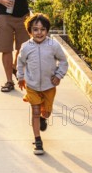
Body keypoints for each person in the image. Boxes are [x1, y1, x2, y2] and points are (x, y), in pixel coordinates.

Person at [17, 13, 68, 155]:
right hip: (32, 86)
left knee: (46, 113)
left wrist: (58, 75)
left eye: (42, 29)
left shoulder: (53, 45)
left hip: (49, 86)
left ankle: (42, 118)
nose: (39, 32)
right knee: (35, 111)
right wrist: (20, 77)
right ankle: (38, 141)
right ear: (30, 31)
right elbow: (20, 63)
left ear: (47, 30)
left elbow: (63, 61)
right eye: (35, 29)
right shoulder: (26, 47)